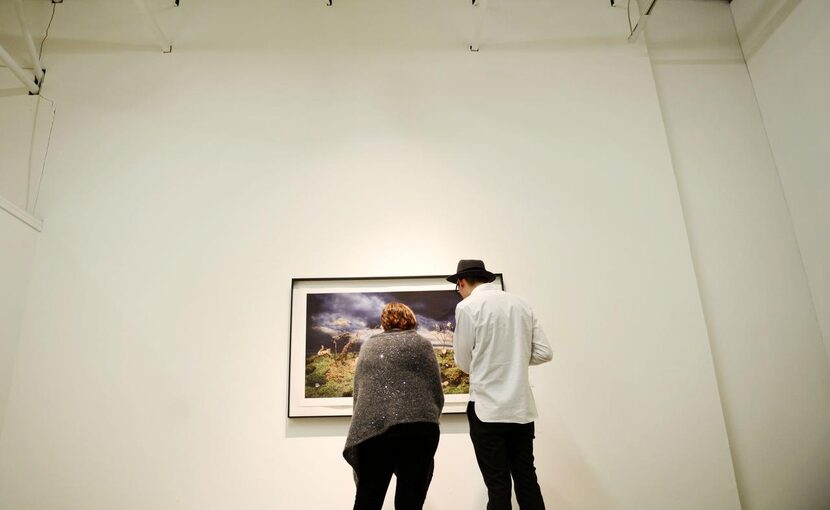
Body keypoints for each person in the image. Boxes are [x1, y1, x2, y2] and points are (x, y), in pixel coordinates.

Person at [448, 259, 553, 510]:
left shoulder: (467, 307)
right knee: (527, 479)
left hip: (487, 410)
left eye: (457, 287)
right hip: (520, 410)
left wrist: (491, 360)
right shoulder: (521, 304)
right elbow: (544, 352)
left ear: (462, 282)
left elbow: (463, 360)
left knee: (497, 485)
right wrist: (513, 358)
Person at [343, 302, 445, 510]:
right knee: (410, 501)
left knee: (368, 498)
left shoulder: (370, 346)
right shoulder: (422, 344)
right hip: (419, 430)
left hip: (375, 430)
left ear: (384, 322)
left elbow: (360, 394)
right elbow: (436, 393)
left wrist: (361, 424)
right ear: (411, 319)